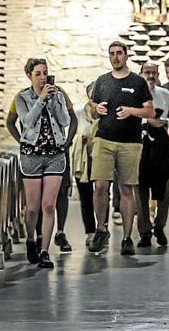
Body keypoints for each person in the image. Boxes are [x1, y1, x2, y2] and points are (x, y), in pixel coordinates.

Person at [6, 59, 77, 258]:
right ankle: (31, 239)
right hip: (32, 156)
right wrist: (41, 100)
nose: (43, 77)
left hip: (55, 155)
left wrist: (54, 101)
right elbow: (27, 122)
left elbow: (65, 120)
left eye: (45, 73)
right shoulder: (21, 98)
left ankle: (45, 250)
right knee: (32, 208)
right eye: (38, 73)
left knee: (48, 205)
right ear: (30, 76)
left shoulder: (58, 94)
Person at [89, 41, 154, 255]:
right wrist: (96, 109)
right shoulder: (102, 81)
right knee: (100, 186)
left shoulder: (137, 82)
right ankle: (101, 228)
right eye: (112, 54)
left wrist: (131, 111)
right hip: (104, 139)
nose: (115, 57)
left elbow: (149, 112)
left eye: (119, 53)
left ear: (126, 56)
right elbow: (92, 109)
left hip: (130, 142)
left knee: (126, 189)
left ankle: (126, 238)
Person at [136, 61, 169, 247]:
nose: (151, 76)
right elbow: (126, 117)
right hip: (140, 146)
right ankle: (144, 232)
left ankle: (160, 227)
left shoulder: (165, 94)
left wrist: (166, 122)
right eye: (147, 72)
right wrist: (146, 122)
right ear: (141, 73)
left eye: (154, 72)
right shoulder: (134, 94)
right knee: (141, 191)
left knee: (165, 191)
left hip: (162, 146)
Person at [71, 82, 99, 246]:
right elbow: (73, 136)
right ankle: (90, 231)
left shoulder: (105, 114)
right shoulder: (79, 114)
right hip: (83, 162)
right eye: (91, 94)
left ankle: (103, 228)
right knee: (86, 198)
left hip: (101, 159)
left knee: (102, 194)